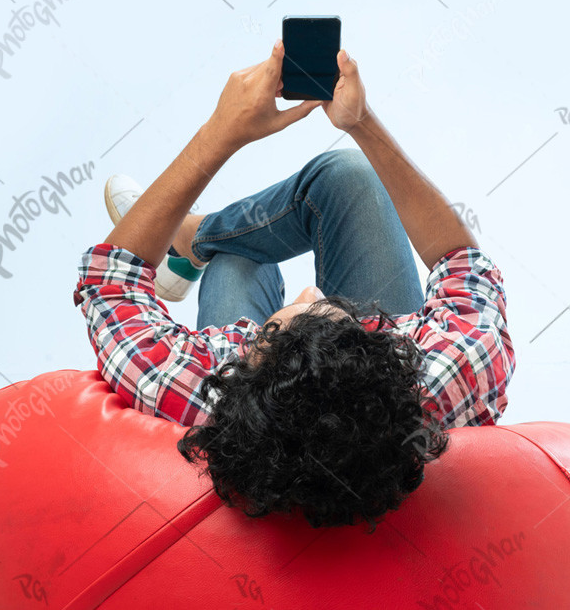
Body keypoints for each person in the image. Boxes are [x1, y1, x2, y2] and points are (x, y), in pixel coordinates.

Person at [73, 39, 515, 532]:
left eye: (269, 332)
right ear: (382, 349)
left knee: (237, 258)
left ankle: (198, 242)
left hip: (260, 417)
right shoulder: (438, 384)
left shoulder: (203, 397)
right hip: (355, 409)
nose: (311, 292)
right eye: (336, 313)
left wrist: (222, 133)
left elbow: (108, 282)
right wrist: (360, 121)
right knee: (348, 173)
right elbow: (465, 265)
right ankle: (198, 239)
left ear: (240, 373)